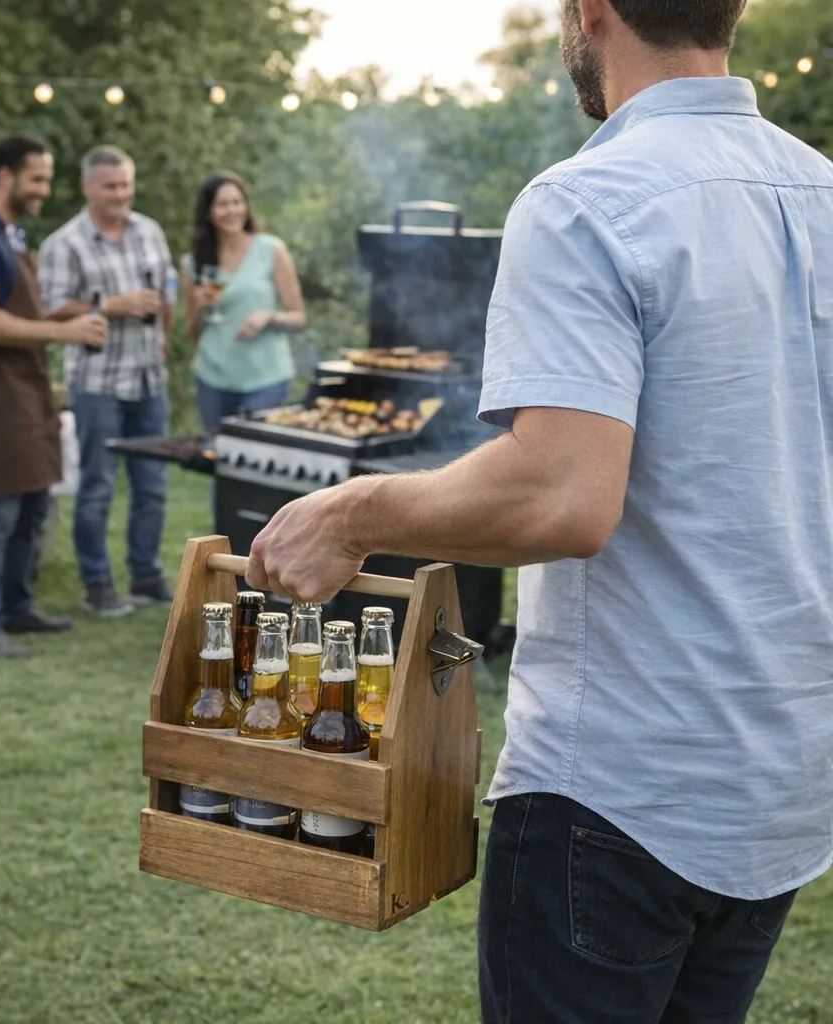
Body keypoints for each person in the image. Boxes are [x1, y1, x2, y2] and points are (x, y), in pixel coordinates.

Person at [245, 0, 833, 1020]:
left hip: (620, 787)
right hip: (783, 779)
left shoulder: (587, 201)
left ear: (588, 12)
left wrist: (350, 514)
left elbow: (562, 492)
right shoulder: (822, 194)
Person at [0, 134, 107, 658]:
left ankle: (16, 606)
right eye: (36, 178)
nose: (44, 189)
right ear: (4, 175)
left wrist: (65, 318)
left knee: (33, 500)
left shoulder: (7, 235)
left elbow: (21, 313)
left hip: (23, 385)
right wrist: (64, 334)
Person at [39, 145, 175, 617]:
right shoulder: (66, 242)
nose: (121, 194)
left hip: (148, 378)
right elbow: (52, 306)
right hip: (96, 380)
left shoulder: (148, 230)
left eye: (126, 185)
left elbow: (167, 289)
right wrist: (111, 306)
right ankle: (97, 585)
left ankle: (146, 574)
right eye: (111, 186)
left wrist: (164, 338)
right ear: (88, 187)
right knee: (97, 485)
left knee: (152, 484)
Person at [180, 171, 306, 434]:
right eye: (222, 204)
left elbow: (298, 317)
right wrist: (202, 307)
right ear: (209, 212)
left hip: (265, 380)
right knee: (218, 461)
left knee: (256, 460)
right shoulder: (192, 264)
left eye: (237, 202)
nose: (232, 211)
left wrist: (268, 317)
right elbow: (192, 334)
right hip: (213, 380)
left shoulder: (271, 251)